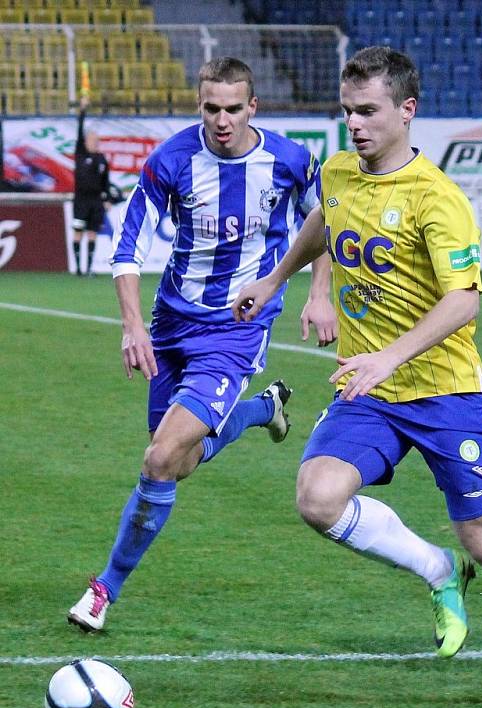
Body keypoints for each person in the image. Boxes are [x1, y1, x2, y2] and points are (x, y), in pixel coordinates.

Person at [233, 46, 482, 708]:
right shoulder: (342, 171)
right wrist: (276, 277)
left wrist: (386, 357)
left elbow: (464, 299)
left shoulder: (438, 198)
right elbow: (324, 221)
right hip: (373, 389)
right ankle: (434, 570)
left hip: (443, 390)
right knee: (318, 499)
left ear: (407, 110)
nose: (356, 124)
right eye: (348, 111)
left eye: (369, 111)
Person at [68, 57, 336, 632]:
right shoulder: (170, 160)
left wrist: (319, 293)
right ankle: (265, 409)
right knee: (176, 461)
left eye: (233, 108)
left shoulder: (290, 160)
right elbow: (128, 248)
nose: (222, 119)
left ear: (252, 107)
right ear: (200, 105)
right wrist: (133, 325)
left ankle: (102, 589)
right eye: (211, 107)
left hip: (238, 327)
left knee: (160, 457)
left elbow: (328, 217)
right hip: (171, 323)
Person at [72, 96, 111, 276]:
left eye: (97, 140)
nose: (95, 143)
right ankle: (78, 268)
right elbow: (79, 131)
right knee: (78, 230)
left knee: (92, 232)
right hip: (81, 200)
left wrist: (107, 199)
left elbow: (106, 182)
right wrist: (82, 110)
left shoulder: (102, 159)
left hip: (96, 201)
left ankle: (88, 268)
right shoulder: (80, 153)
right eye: (92, 140)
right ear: (86, 141)